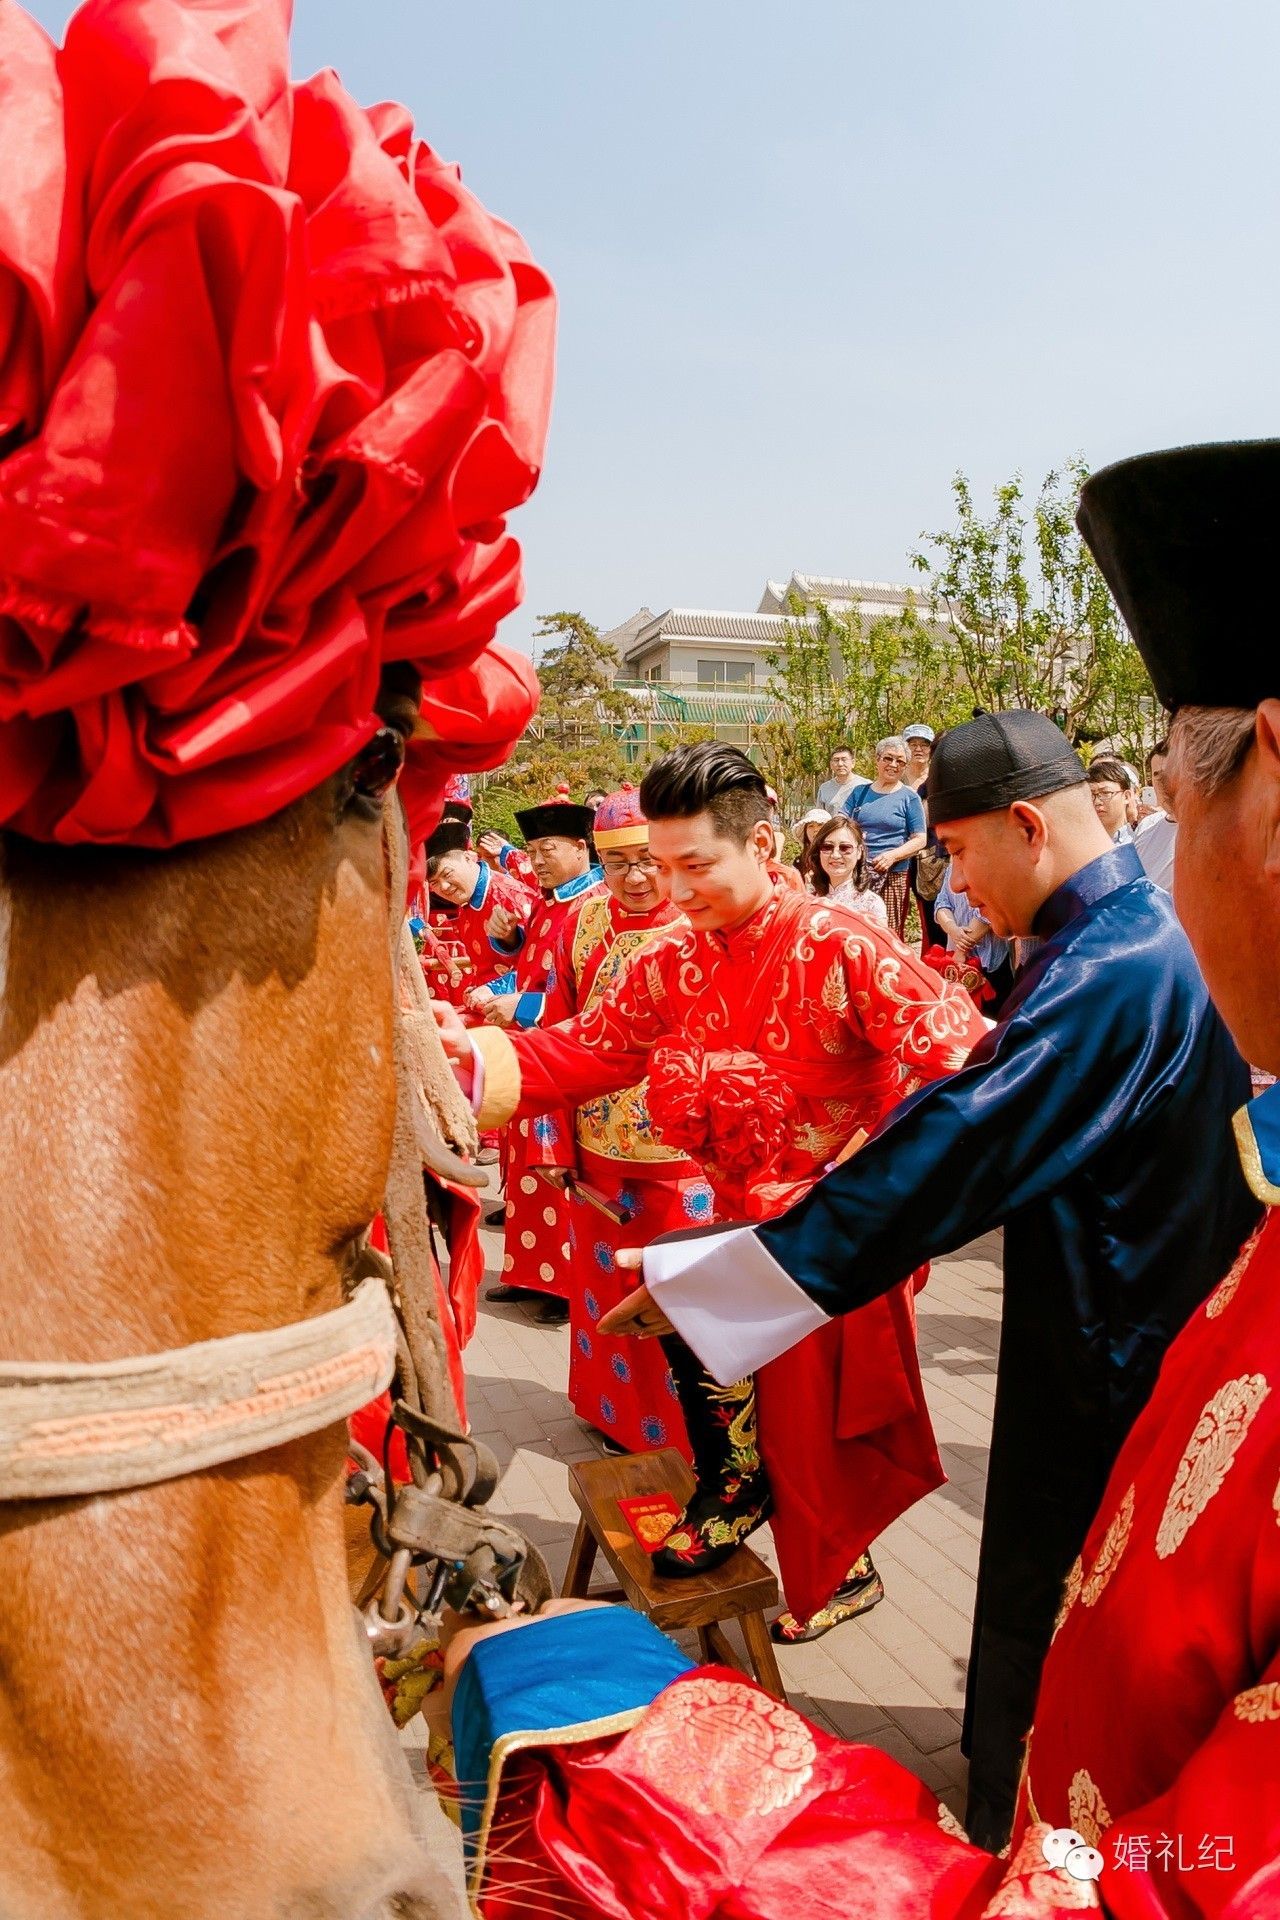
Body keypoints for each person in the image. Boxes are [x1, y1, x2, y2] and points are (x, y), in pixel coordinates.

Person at [603, 707, 1258, 1849]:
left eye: (953, 854)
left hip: (1115, 1333)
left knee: (1056, 1584)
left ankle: (1034, 1822)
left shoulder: (1115, 962)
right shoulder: (1118, 940)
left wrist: (728, 1279)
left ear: (1019, 824)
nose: (948, 884)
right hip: (1110, 1302)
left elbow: (965, 1136)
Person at [438, 742, 986, 1629]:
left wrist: (866, 1173)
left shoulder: (844, 945)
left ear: (762, 843)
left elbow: (962, 1068)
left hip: (835, 1226)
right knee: (714, 1362)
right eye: (661, 869)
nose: (677, 892)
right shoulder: (672, 962)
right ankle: (737, 1495)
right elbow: (590, 1050)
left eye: (696, 867)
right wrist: (455, 1060)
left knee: (817, 1424)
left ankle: (838, 1567)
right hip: (737, 1220)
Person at [536, 783, 704, 1457]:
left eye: (647, 860)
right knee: (604, 1293)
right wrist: (551, 1139)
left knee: (676, 1302)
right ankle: (612, 1418)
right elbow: (554, 1027)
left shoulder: (702, 923)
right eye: (617, 863)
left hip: (684, 1161)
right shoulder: (580, 923)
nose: (634, 877)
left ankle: (694, 1441)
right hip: (599, 1152)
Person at [470, 787, 604, 1325]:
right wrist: (510, 942)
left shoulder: (593, 906)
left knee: (556, 1176)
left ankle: (563, 1286)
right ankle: (529, 1273)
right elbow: (535, 965)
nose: (539, 859)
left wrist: (520, 1006)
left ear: (580, 847)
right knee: (524, 1169)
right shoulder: (551, 903)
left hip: (565, 1056)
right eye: (534, 851)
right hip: (531, 1051)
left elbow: (588, 997)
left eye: (550, 848)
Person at [841, 737, 928, 936]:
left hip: (893, 874)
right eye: (888, 758)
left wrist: (892, 856)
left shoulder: (909, 797)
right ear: (877, 759)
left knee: (887, 932)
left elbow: (920, 839)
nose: (893, 765)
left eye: (900, 761)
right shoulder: (859, 793)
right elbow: (841, 822)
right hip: (857, 873)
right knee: (854, 929)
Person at [933, 857, 1014, 1013]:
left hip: (990, 962)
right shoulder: (952, 870)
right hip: (957, 960)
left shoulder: (992, 868)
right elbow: (941, 904)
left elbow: (988, 912)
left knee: (993, 1015)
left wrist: (961, 948)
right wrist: (953, 929)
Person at [802, 814, 888, 925]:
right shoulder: (809, 900)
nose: (835, 855)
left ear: (859, 852)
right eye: (827, 847)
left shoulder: (872, 904)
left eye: (845, 848)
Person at [1133, 737, 1177, 890]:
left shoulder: (1214, 831)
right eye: (1157, 776)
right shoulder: (1146, 826)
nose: (1165, 785)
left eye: (1172, 774)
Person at [1086, 756, 1136, 843]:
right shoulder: (1079, 847)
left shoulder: (1140, 842)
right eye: (1091, 795)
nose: (1097, 802)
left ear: (1126, 796)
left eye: (1106, 793)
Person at [817, 745, 862, 812]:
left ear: (853, 763)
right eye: (836, 760)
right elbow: (820, 817)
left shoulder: (865, 786)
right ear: (831, 765)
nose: (840, 764)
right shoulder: (824, 788)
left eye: (844, 760)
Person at [793, 806, 831, 882]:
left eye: (820, 824)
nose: (816, 829)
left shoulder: (837, 857)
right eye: (811, 826)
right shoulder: (799, 862)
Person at [901, 720, 935, 792]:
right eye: (913, 745)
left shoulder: (937, 777)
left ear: (932, 749)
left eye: (924, 745)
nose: (918, 749)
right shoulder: (896, 776)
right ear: (905, 748)